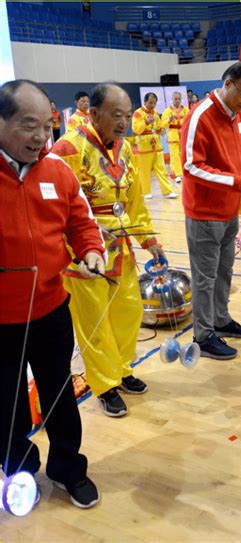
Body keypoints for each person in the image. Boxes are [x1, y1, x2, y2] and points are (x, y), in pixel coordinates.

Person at [0, 79, 104, 508]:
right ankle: (19, 470)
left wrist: (92, 251)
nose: (42, 137)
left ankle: (67, 468)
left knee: (60, 395)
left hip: (50, 309)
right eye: (29, 126)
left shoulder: (58, 170)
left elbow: (82, 221)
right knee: (6, 405)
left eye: (47, 126)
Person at [53, 83, 165, 417]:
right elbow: (58, 209)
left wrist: (150, 240)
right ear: (93, 112)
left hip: (121, 247)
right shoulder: (67, 150)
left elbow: (134, 203)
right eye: (117, 116)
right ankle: (104, 384)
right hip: (83, 254)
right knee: (94, 322)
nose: (124, 123)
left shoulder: (126, 149)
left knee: (129, 312)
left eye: (128, 116)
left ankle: (122, 368)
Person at [181, 61, 241, 360]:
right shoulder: (200, 116)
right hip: (204, 213)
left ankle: (220, 320)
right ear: (228, 84)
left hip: (229, 210)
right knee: (204, 277)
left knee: (224, 271)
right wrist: (238, 182)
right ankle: (203, 333)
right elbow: (191, 167)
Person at [131, 92, 177, 199]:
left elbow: (160, 128)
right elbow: (136, 129)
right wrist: (145, 122)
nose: (152, 105)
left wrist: (167, 122)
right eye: (150, 103)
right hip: (144, 147)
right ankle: (145, 192)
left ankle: (167, 191)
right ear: (145, 102)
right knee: (144, 171)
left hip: (157, 146)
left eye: (154, 103)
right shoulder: (138, 113)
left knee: (162, 169)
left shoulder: (156, 113)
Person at [161, 91, 189, 183]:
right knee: (174, 155)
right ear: (172, 99)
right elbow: (163, 124)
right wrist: (169, 120)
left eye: (179, 99)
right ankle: (177, 174)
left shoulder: (185, 109)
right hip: (173, 135)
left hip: (184, 134)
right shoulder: (167, 111)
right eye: (175, 99)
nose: (177, 101)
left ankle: (184, 172)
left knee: (184, 155)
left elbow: (189, 120)